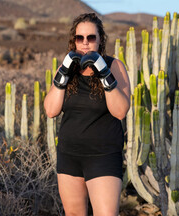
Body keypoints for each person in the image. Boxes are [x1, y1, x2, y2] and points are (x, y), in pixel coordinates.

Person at [44, 13, 130, 216]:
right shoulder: (66, 67)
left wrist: (104, 74)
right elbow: (50, 110)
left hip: (103, 155)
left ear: (100, 40)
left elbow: (120, 111)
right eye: (79, 38)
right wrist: (63, 74)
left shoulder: (114, 66)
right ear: (73, 40)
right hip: (69, 155)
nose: (85, 43)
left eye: (91, 38)